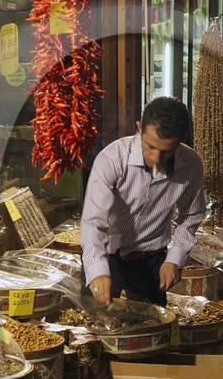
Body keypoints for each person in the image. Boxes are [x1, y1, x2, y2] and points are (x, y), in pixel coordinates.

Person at [80, 97, 205, 306]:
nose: (156, 158)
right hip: (107, 258)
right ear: (139, 129)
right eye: (150, 147)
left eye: (166, 151)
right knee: (96, 330)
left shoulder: (190, 163)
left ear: (180, 141)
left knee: (153, 329)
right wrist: (97, 271)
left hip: (152, 262)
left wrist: (175, 257)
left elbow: (191, 215)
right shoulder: (112, 159)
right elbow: (93, 222)